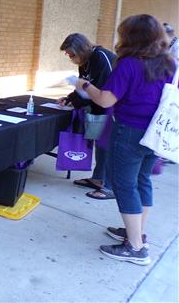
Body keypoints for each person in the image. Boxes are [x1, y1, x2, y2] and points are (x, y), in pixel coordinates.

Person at [75, 14, 176, 265]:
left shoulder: (129, 64)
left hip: (129, 131)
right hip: (154, 132)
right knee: (143, 180)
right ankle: (137, 233)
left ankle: (135, 247)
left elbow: (106, 99)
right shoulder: (168, 63)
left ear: (131, 37)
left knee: (124, 186)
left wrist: (85, 86)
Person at [58, 33, 117, 200]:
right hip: (98, 106)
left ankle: (109, 186)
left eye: (72, 55)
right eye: (68, 55)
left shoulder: (101, 57)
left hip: (111, 106)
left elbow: (101, 89)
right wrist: (70, 99)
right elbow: (83, 86)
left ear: (82, 49)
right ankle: (98, 179)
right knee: (100, 144)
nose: (71, 58)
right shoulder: (84, 62)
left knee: (108, 145)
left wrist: (82, 94)